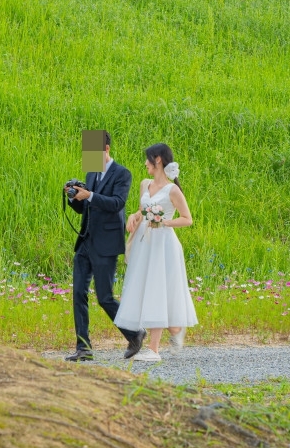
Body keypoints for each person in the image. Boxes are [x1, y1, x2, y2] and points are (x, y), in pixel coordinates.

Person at [63, 131, 147, 362]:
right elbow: (85, 208)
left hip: (107, 243)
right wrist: (73, 198)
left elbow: (117, 204)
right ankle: (83, 348)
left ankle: (135, 333)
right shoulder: (91, 172)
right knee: (78, 293)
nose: (89, 156)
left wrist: (89, 195)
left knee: (105, 297)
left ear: (106, 149)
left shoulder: (122, 174)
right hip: (85, 241)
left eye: (93, 152)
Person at [114, 143, 197, 362]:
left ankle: (154, 349)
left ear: (157, 159)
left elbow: (187, 219)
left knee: (158, 290)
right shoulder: (145, 184)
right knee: (147, 289)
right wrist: (134, 216)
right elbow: (143, 210)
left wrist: (164, 221)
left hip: (163, 245)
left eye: (148, 159)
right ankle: (176, 329)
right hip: (145, 244)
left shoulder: (173, 190)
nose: (145, 164)